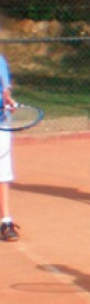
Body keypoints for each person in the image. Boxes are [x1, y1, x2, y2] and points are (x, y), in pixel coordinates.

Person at [0, 49, 18, 242]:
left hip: (1, 123)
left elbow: (5, 91)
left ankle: (5, 221)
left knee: (3, 173)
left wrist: (8, 100)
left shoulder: (0, 62)